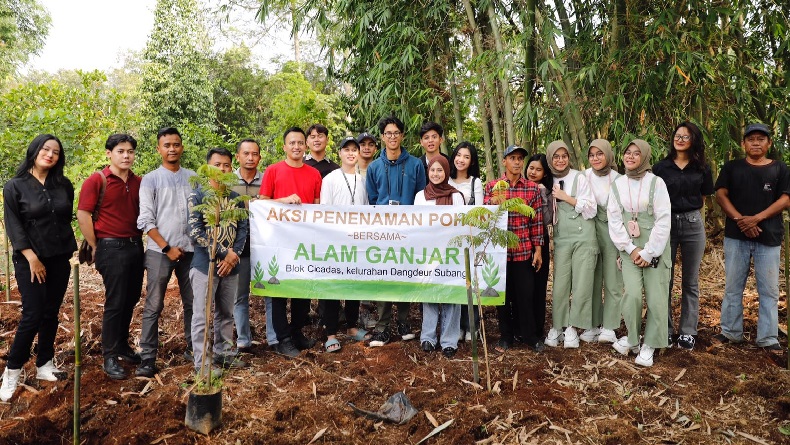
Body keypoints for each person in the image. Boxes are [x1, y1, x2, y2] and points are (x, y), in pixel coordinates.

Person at [1, 134, 77, 401]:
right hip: (29, 260)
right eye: (46, 149)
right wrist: (32, 257)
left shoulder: (64, 185)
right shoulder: (15, 186)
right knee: (32, 314)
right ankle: (11, 371)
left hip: (59, 258)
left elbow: (66, 220)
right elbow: (14, 226)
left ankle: (45, 364)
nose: (50, 154)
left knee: (51, 313)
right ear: (34, 150)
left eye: (56, 152)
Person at [714, 123, 790, 356]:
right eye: (751, 139)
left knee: (768, 289)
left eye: (761, 139)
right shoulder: (732, 167)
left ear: (769, 143)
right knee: (733, 286)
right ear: (743, 143)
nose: (755, 143)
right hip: (736, 236)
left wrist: (756, 219)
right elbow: (720, 195)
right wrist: (741, 220)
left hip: (769, 237)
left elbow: (786, 199)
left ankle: (767, 338)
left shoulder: (780, 169)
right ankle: (730, 332)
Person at [77, 134, 144, 380]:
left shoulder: (139, 182)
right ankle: (109, 356)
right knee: (116, 301)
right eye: (120, 151)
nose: (126, 155)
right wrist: (97, 246)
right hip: (111, 247)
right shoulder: (97, 180)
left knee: (132, 297)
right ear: (109, 154)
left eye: (130, 151)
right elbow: (83, 214)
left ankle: (122, 346)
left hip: (136, 246)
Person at [136, 127, 197, 378]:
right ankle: (148, 358)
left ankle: (195, 350)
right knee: (154, 305)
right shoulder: (150, 180)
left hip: (192, 251)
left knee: (194, 303)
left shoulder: (194, 177)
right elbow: (146, 221)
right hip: (160, 252)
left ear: (182, 147)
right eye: (167, 145)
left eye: (176, 144)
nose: (172, 149)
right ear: (159, 149)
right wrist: (166, 247)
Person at [607, 139, 671, 367]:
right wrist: (632, 248)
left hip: (655, 246)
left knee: (656, 296)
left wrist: (649, 252)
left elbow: (663, 220)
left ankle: (650, 344)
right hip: (629, 247)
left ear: (644, 157)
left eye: (636, 154)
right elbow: (614, 220)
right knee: (632, 294)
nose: (631, 157)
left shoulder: (657, 183)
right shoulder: (618, 184)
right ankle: (633, 339)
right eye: (627, 153)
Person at [260, 127, 322, 358]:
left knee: (301, 289)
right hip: (277, 242)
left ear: (305, 146)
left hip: (304, 242)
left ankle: (296, 333)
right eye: (292, 143)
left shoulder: (314, 174)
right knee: (278, 290)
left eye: (300, 143)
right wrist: (283, 201)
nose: (296, 146)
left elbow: (317, 209)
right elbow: (262, 205)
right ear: (284, 146)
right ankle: (283, 339)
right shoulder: (273, 170)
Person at [365, 115, 426, 347]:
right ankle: (382, 326)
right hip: (382, 230)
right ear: (382, 137)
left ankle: (403, 322)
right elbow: (372, 199)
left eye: (396, 133)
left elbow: (421, 196)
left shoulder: (415, 165)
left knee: (404, 275)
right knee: (383, 276)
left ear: (402, 136)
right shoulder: (374, 167)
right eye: (388, 133)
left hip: (408, 230)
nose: (392, 137)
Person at [653, 122, 714, 350]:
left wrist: (695, 219)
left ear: (693, 141)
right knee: (664, 280)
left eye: (685, 137)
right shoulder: (661, 168)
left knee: (690, 281)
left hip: (692, 223)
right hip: (665, 224)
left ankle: (688, 332)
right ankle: (665, 329)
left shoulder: (702, 169)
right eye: (677, 135)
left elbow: (704, 198)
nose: (680, 139)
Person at [189, 148, 249, 377]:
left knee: (226, 313)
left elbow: (243, 229)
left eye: (226, 165)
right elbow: (196, 232)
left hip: (231, 266)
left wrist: (233, 257)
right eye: (217, 164)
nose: (222, 169)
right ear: (207, 167)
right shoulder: (198, 195)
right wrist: (224, 254)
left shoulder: (235, 198)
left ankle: (224, 353)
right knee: (202, 315)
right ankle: (202, 365)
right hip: (205, 265)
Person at [484, 145, 544, 353]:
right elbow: (484, 214)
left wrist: (538, 250)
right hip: (499, 252)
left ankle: (529, 336)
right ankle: (505, 337)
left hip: (523, 250)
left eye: (520, 159)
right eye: (513, 158)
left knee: (525, 296)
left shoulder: (532, 188)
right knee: (502, 297)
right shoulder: (493, 186)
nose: (517, 162)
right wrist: (492, 201)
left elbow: (536, 222)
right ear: (505, 161)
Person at [544, 140, 598, 349]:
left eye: (563, 156)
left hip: (583, 234)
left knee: (582, 282)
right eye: (555, 157)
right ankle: (558, 325)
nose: (560, 160)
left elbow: (592, 209)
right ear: (550, 158)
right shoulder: (548, 179)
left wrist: (567, 198)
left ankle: (573, 327)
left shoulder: (579, 177)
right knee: (560, 282)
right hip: (560, 237)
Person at [319, 137, 371, 352]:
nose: (351, 153)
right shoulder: (330, 179)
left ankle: (351, 327)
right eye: (346, 150)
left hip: (356, 241)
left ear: (359, 154)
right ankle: (330, 333)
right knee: (332, 286)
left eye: (354, 150)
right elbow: (324, 210)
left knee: (353, 284)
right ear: (339, 153)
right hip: (334, 241)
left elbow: (367, 210)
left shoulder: (363, 180)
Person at [415, 156, 465, 356]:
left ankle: (449, 340)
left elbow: (460, 225)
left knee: (452, 295)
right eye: (432, 170)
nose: (435, 174)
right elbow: (417, 225)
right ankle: (428, 337)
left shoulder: (456, 196)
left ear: (446, 172)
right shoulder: (421, 196)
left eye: (439, 170)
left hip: (451, 252)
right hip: (427, 251)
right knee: (429, 293)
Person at [231, 139, 272, 352]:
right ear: (237, 156)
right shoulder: (228, 182)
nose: (250, 158)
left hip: (264, 244)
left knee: (271, 292)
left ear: (259, 157)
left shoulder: (267, 180)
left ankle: (273, 338)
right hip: (239, 246)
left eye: (255, 154)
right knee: (240, 295)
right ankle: (243, 340)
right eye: (246, 154)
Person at [583, 139, 624, 344]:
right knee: (591, 277)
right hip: (589, 230)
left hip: (613, 231)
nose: (595, 158)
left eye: (600, 154)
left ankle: (610, 326)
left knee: (613, 278)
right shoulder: (583, 176)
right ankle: (592, 323)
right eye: (592, 155)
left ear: (608, 154)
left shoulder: (619, 179)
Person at [448, 141, 484, 341]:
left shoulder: (475, 183)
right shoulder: (446, 180)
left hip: (470, 239)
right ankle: (457, 326)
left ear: (471, 162)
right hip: (450, 240)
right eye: (459, 155)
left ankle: (472, 326)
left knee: (470, 281)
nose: (461, 159)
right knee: (455, 281)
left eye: (466, 157)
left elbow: (478, 212)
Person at [525, 153, 553, 350]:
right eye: (531, 168)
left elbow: (547, 218)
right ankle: (522, 327)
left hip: (540, 239)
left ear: (544, 173)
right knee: (522, 287)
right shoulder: (518, 186)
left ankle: (537, 329)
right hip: (519, 239)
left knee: (538, 285)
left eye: (538, 169)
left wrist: (542, 194)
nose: (533, 172)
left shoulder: (547, 191)